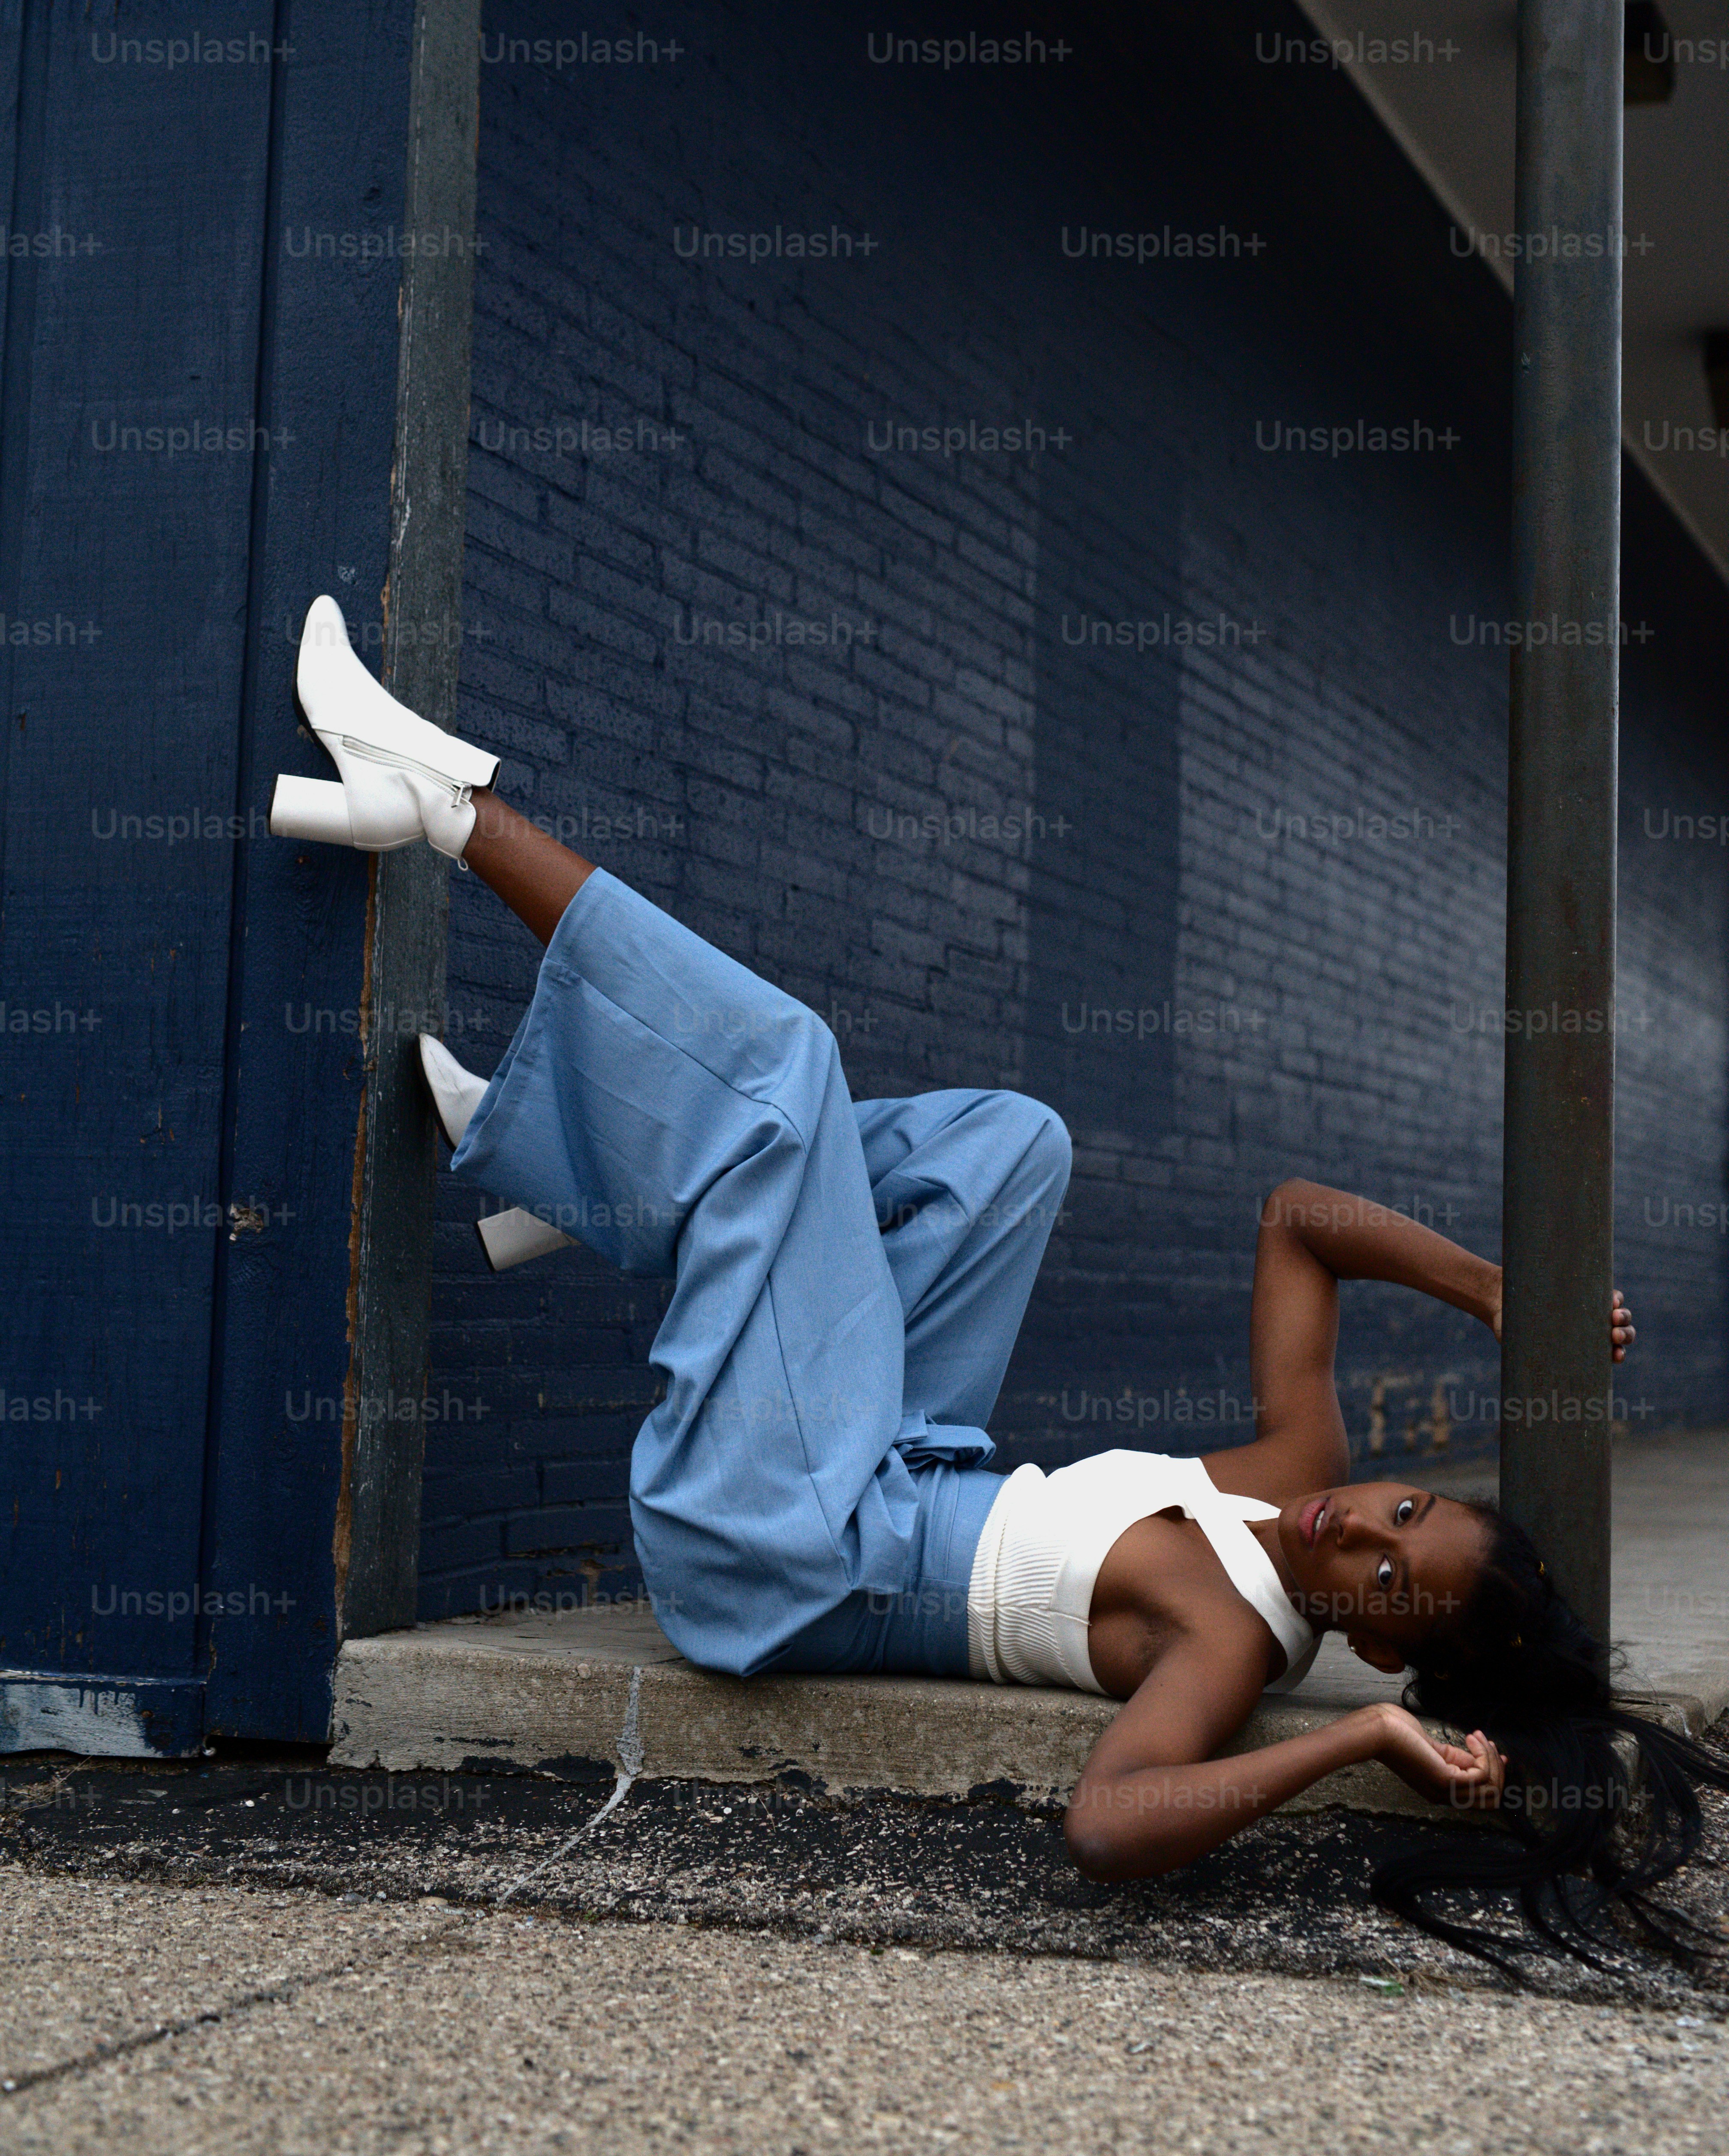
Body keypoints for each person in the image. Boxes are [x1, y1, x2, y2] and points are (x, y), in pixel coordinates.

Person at [271, 592, 1729, 1976]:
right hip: (892, 1455)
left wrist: (1354, 1745)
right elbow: (1298, 1221)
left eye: (1386, 1574)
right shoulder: (1299, 1473)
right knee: (1011, 1147)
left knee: (790, 1077)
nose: (1359, 1524)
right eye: (1406, 1512)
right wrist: (1494, 1291)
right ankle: (575, 1183)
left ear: (1383, 1644)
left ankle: (441, 808)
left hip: (783, 1549)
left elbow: (1108, 1826)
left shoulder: (1230, 1648)